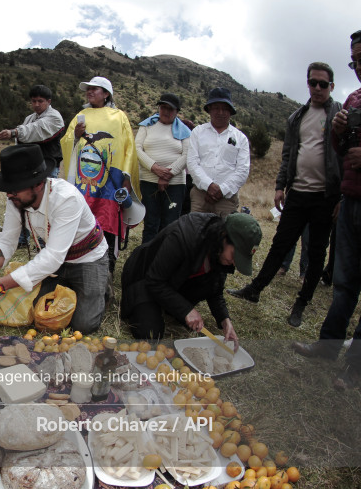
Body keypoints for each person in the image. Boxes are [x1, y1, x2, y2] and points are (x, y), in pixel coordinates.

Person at [228, 63, 341, 328]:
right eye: (313, 82)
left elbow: (345, 155)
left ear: (332, 87)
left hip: (326, 196)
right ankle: (255, 289)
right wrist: (280, 187)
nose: (317, 88)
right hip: (297, 193)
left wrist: (341, 197)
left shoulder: (338, 114)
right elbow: (288, 155)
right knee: (280, 243)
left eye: (323, 84)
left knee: (315, 251)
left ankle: (301, 302)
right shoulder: (296, 118)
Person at [0, 144, 110, 334]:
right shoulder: (16, 199)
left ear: (39, 184)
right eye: (8, 189)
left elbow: (52, 257)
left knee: (83, 326)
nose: (9, 194)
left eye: (14, 189)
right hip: (56, 263)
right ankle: (74, 289)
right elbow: (8, 240)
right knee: (37, 313)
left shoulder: (67, 198)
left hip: (87, 259)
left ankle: (102, 286)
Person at [292, 30, 361, 390]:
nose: (359, 67)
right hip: (351, 201)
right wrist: (336, 134)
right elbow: (340, 151)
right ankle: (328, 346)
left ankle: (355, 366)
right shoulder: (353, 98)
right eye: (355, 61)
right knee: (344, 283)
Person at [120, 212, 262, 346]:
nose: (234, 263)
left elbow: (215, 290)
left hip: (173, 283)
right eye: (234, 255)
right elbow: (154, 280)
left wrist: (225, 320)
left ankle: (167, 305)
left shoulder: (220, 251)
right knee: (149, 334)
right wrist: (186, 310)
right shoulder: (184, 235)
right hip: (144, 277)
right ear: (224, 236)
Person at [60, 76, 138, 272]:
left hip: (110, 182)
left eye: (96, 89)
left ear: (106, 94)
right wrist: (76, 135)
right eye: (88, 89)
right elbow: (67, 142)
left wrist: (126, 180)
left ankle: (107, 266)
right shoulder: (81, 115)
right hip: (83, 180)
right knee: (82, 222)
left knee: (107, 221)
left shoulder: (119, 116)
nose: (90, 92)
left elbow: (129, 148)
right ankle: (81, 264)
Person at [136, 93, 192, 243]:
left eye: (170, 109)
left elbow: (187, 154)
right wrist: (154, 168)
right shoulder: (146, 125)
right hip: (148, 181)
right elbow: (137, 149)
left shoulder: (185, 131)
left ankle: (165, 262)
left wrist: (168, 174)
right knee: (151, 223)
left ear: (177, 111)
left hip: (175, 184)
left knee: (170, 225)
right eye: (163, 107)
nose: (166, 112)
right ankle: (146, 261)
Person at [187, 88, 250, 217]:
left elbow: (242, 170)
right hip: (200, 197)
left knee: (224, 235)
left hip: (227, 200)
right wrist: (208, 185)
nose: (220, 112)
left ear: (231, 111)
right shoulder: (198, 132)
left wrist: (222, 190)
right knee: (196, 234)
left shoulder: (241, 138)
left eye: (225, 108)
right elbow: (192, 162)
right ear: (209, 109)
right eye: (216, 107)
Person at [0, 84, 65, 176]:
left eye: (40, 101)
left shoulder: (55, 117)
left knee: (47, 190)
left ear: (48, 101)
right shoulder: (29, 118)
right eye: (34, 101)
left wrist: (14, 132)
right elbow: (22, 141)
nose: (36, 104)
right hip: (31, 167)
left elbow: (35, 130)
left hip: (48, 167)